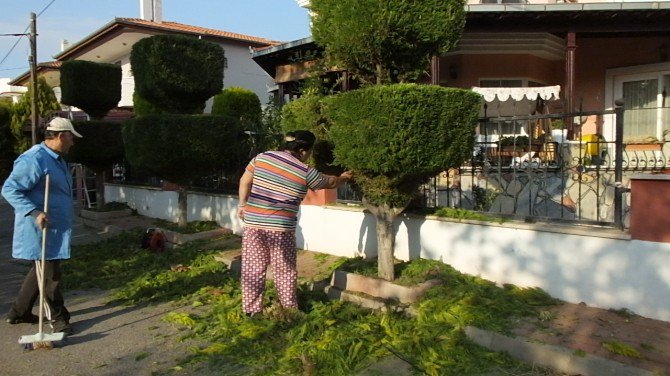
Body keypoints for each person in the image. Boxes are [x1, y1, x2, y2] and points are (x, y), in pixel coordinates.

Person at [238, 130, 352, 316]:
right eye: (310, 151)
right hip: (281, 228)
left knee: (253, 268)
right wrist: (344, 178)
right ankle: (289, 309)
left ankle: (251, 311)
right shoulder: (305, 171)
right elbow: (330, 183)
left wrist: (242, 205)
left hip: (253, 224)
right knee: (284, 269)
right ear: (303, 150)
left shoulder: (262, 157)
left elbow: (244, 181)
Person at [2, 117, 82, 335]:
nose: (72, 143)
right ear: (61, 136)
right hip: (40, 228)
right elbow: (10, 189)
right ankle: (58, 319)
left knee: (41, 270)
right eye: (71, 138)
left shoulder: (56, 159)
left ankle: (19, 312)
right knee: (50, 276)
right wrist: (35, 211)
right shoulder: (34, 159)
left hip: (54, 228)